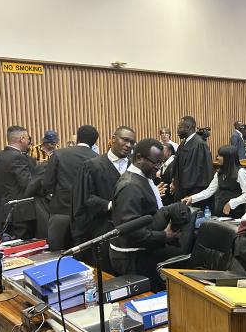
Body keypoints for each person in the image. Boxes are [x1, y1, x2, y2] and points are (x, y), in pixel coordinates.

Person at [110, 138, 180, 291]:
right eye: (155, 163)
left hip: (144, 253)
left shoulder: (143, 178)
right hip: (132, 258)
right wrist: (164, 236)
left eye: (161, 163)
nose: (158, 167)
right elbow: (131, 230)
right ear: (139, 158)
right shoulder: (130, 186)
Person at [70, 126, 135, 271]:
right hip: (101, 228)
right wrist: (111, 205)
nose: (128, 145)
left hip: (128, 232)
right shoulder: (92, 165)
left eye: (132, 142)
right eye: (125, 140)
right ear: (112, 139)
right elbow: (84, 198)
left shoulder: (134, 167)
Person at [42, 125, 99, 250]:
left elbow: (47, 183)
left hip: (60, 211)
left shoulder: (59, 154)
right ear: (95, 141)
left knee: (56, 255)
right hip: (85, 216)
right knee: (83, 256)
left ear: (78, 137)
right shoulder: (98, 159)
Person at [182, 145, 246, 218]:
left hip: (235, 212)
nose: (217, 157)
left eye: (220, 156)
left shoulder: (241, 172)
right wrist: (192, 198)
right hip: (219, 211)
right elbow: (209, 191)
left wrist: (231, 203)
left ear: (228, 158)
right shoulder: (219, 172)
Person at [0, 126, 37, 240]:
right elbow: (27, 183)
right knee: (24, 245)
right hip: (21, 210)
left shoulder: (1, 155)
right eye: (28, 138)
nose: (29, 141)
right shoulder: (17, 157)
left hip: (8, 208)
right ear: (22, 138)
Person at [172, 115, 213, 201]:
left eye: (180, 127)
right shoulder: (183, 143)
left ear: (188, 127)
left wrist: (192, 195)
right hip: (181, 192)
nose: (177, 130)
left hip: (192, 195)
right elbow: (177, 165)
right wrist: (175, 182)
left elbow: (200, 173)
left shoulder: (199, 144)